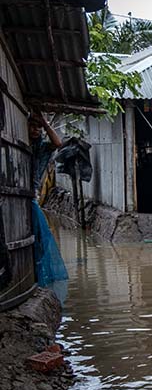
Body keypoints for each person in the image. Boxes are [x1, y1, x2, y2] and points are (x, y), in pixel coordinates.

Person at [28, 111, 68, 287]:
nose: (35, 130)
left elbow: (58, 143)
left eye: (38, 128)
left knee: (39, 236)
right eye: (32, 126)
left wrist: (44, 122)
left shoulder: (42, 147)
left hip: (32, 193)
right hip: (24, 191)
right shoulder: (23, 143)